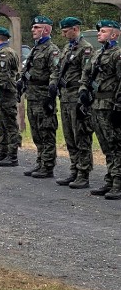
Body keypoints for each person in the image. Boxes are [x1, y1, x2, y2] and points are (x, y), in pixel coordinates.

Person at [78, 19, 121, 199]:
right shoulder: (97, 54)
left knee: (115, 145)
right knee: (105, 145)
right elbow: (86, 73)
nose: (99, 34)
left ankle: (118, 183)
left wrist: (118, 107)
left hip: (110, 105)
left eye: (103, 31)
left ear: (114, 34)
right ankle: (110, 179)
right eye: (99, 31)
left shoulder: (117, 55)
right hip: (96, 105)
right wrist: (82, 91)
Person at [49, 17, 93, 188]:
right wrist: (53, 84)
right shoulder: (67, 47)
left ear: (75, 29)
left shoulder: (86, 49)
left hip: (77, 97)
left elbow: (87, 73)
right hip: (65, 97)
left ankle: (84, 173)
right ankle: (74, 169)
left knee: (81, 136)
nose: (63, 33)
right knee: (69, 136)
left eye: (66, 30)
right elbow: (58, 69)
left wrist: (83, 95)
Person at [21, 15, 61, 179]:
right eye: (33, 27)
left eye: (37, 27)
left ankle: (48, 165)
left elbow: (55, 71)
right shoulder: (35, 49)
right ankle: (40, 162)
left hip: (43, 95)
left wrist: (51, 93)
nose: (33, 30)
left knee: (46, 131)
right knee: (36, 132)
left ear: (46, 30)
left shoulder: (52, 50)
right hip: (32, 95)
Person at [0, 26, 21, 167]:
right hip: (3, 92)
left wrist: (0, 92)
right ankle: (3, 151)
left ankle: (12, 155)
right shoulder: (5, 51)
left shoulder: (5, 53)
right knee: (1, 124)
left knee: (9, 124)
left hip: (6, 93)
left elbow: (3, 76)